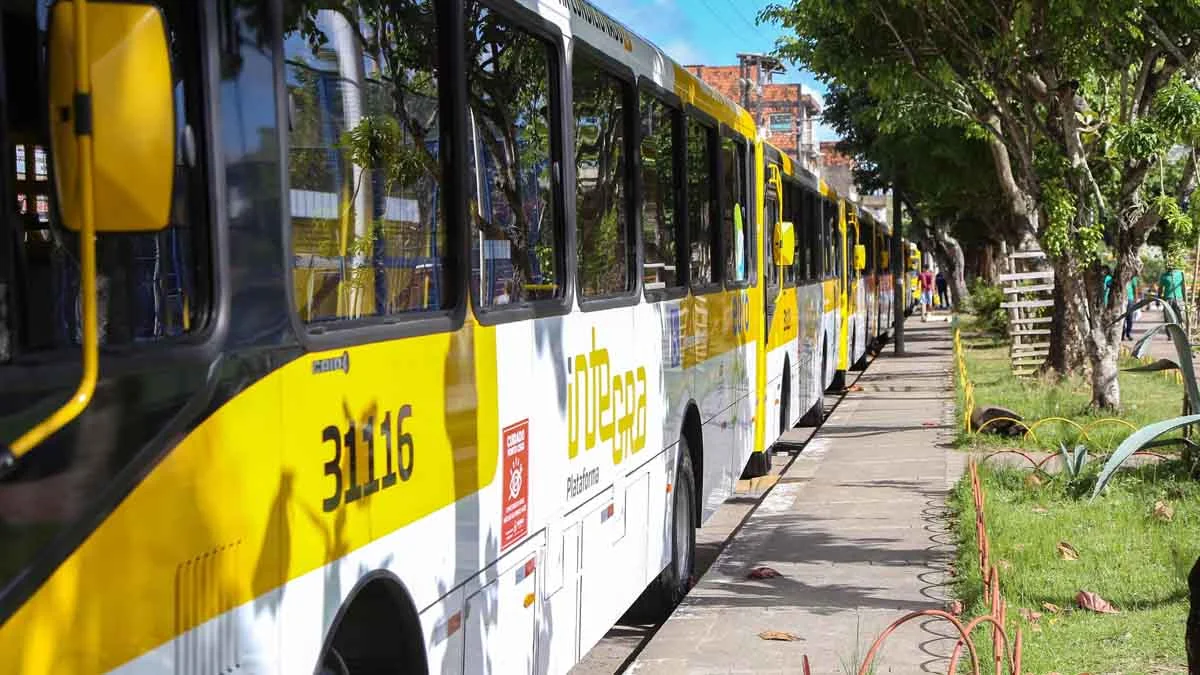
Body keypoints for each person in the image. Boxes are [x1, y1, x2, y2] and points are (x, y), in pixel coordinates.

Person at [1159, 264, 1186, 328]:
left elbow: (1183, 287)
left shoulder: (1181, 274)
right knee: (1168, 317)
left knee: (1180, 316)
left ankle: (1181, 330)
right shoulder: (1164, 276)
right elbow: (1160, 288)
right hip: (1168, 299)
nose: (1170, 266)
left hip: (1179, 298)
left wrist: (1185, 298)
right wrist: (1159, 297)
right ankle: (1170, 334)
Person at [1122, 274, 1138, 341]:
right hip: (1122, 299)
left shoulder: (1132, 278)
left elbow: (1135, 288)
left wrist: (1136, 299)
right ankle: (1122, 334)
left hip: (1130, 299)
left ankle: (1128, 333)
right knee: (1122, 318)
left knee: (1130, 317)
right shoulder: (1121, 275)